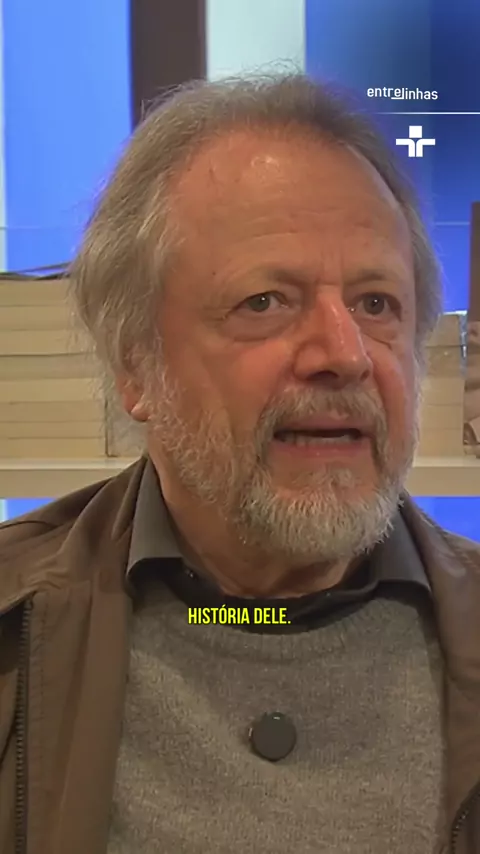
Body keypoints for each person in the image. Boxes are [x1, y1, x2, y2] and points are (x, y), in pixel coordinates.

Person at [0, 73, 479, 854]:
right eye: (265, 301)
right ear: (136, 363)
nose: (345, 354)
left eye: (376, 304)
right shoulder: (13, 638)